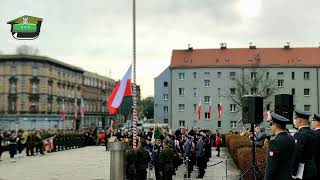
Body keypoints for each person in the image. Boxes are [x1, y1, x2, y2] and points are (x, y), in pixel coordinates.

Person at [264, 113, 295, 180]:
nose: (271, 127)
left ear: (275, 126)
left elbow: (271, 165)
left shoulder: (274, 141)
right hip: (288, 176)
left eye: (271, 125)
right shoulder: (291, 138)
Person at [292, 110, 317, 180]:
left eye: (295, 119)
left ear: (299, 120)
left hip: (302, 172)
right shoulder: (313, 133)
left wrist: (293, 173)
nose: (294, 121)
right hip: (312, 168)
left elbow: (297, 155)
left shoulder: (299, 135)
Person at [311, 113, 320, 180]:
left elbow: (314, 151)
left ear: (317, 123)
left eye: (313, 121)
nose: (311, 122)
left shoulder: (315, 134)